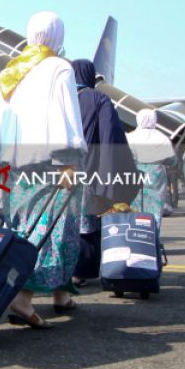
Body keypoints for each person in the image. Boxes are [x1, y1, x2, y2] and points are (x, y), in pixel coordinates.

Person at [0, 11, 85, 329]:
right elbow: (65, 114)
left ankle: (43, 294)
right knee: (50, 231)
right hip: (51, 164)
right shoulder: (59, 68)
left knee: (23, 229)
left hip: (16, 165)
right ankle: (22, 300)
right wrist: (69, 161)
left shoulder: (13, 70)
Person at [70, 58, 141, 283]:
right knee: (88, 219)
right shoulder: (100, 98)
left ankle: (59, 269)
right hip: (89, 166)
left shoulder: (62, 98)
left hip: (60, 168)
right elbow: (111, 136)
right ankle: (81, 271)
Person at [126, 108, 178, 225]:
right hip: (156, 175)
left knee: (136, 207)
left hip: (135, 174)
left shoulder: (129, 137)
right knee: (155, 208)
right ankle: (153, 237)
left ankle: (137, 237)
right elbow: (172, 161)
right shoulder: (162, 138)